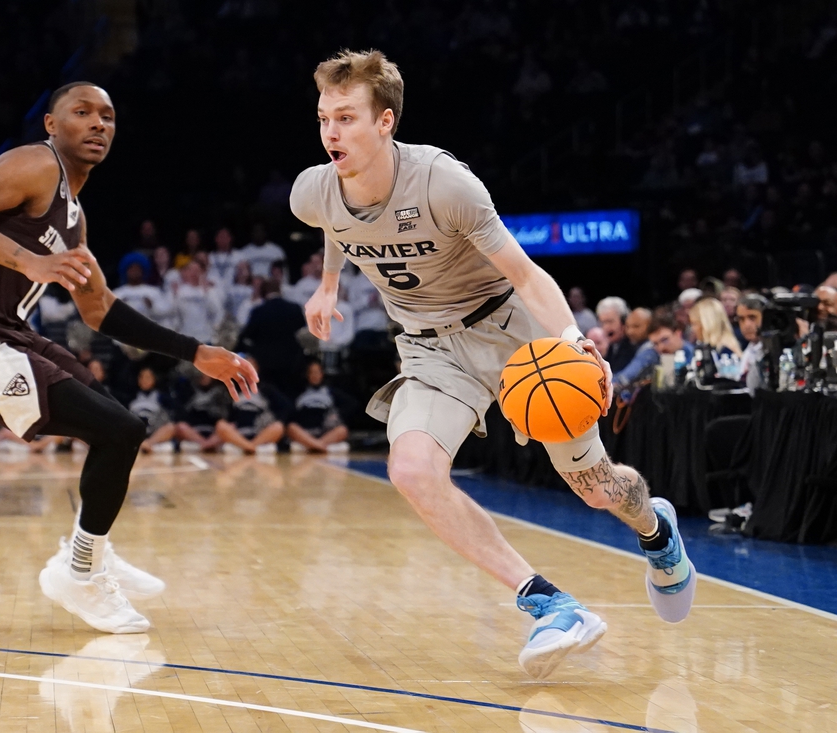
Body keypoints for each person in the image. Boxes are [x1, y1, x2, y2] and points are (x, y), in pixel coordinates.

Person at [290, 50, 695, 679]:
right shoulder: (310, 190)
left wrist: (572, 336)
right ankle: (551, 606)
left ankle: (655, 528)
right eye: (323, 118)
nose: (331, 133)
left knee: (594, 489)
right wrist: (328, 284)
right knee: (413, 469)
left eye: (346, 118)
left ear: (386, 122)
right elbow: (335, 219)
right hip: (428, 347)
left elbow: (525, 274)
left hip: (514, 335)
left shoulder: (444, 184)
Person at [0, 81, 257, 634]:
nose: (99, 123)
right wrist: (28, 261)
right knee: (118, 430)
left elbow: (99, 310)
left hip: (5, 334)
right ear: (52, 125)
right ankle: (81, 568)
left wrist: (196, 352)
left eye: (108, 116)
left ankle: (88, 552)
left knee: (121, 422)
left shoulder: (75, 219)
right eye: (82, 112)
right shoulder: (36, 164)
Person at [235, 278, 308, 396]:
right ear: (280, 291)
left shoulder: (258, 311)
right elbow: (303, 334)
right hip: (291, 363)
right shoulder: (294, 309)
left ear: (263, 293)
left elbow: (246, 336)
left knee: (271, 397)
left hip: (265, 366)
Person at [215, 355, 289, 455]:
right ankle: (252, 448)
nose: (247, 371)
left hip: (260, 432)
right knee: (220, 425)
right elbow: (227, 415)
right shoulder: (233, 389)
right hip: (239, 433)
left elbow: (285, 408)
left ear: (256, 369)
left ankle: (247, 447)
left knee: (278, 426)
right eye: (244, 368)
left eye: (251, 367)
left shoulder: (267, 390)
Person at [286, 360, 350, 453]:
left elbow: (351, 404)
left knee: (343, 430)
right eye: (311, 372)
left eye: (317, 372)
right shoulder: (299, 393)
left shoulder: (330, 392)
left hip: (325, 430)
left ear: (322, 374)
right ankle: (322, 447)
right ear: (307, 375)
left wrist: (337, 414)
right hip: (305, 430)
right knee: (291, 427)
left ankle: (312, 446)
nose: (314, 375)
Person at [174, 370, 231, 452]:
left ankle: (206, 445)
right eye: (202, 374)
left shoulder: (220, 391)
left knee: (226, 426)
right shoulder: (189, 390)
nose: (204, 376)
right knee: (180, 426)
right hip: (194, 431)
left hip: (214, 430)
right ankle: (206, 445)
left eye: (207, 374)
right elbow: (183, 411)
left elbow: (225, 414)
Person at [126, 367, 177, 453]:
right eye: (142, 377)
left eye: (148, 377)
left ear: (154, 379)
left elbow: (171, 416)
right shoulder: (130, 397)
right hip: (136, 434)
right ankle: (146, 446)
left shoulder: (162, 397)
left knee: (170, 427)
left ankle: (147, 444)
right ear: (138, 380)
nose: (145, 380)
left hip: (154, 433)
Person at [595, 296, 636, 372]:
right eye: (603, 322)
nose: (606, 327)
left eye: (610, 321)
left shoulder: (633, 346)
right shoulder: (610, 348)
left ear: (624, 321)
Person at [735, 294, 767, 391]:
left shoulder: (774, 351)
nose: (746, 325)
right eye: (741, 319)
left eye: (752, 318)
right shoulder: (749, 349)